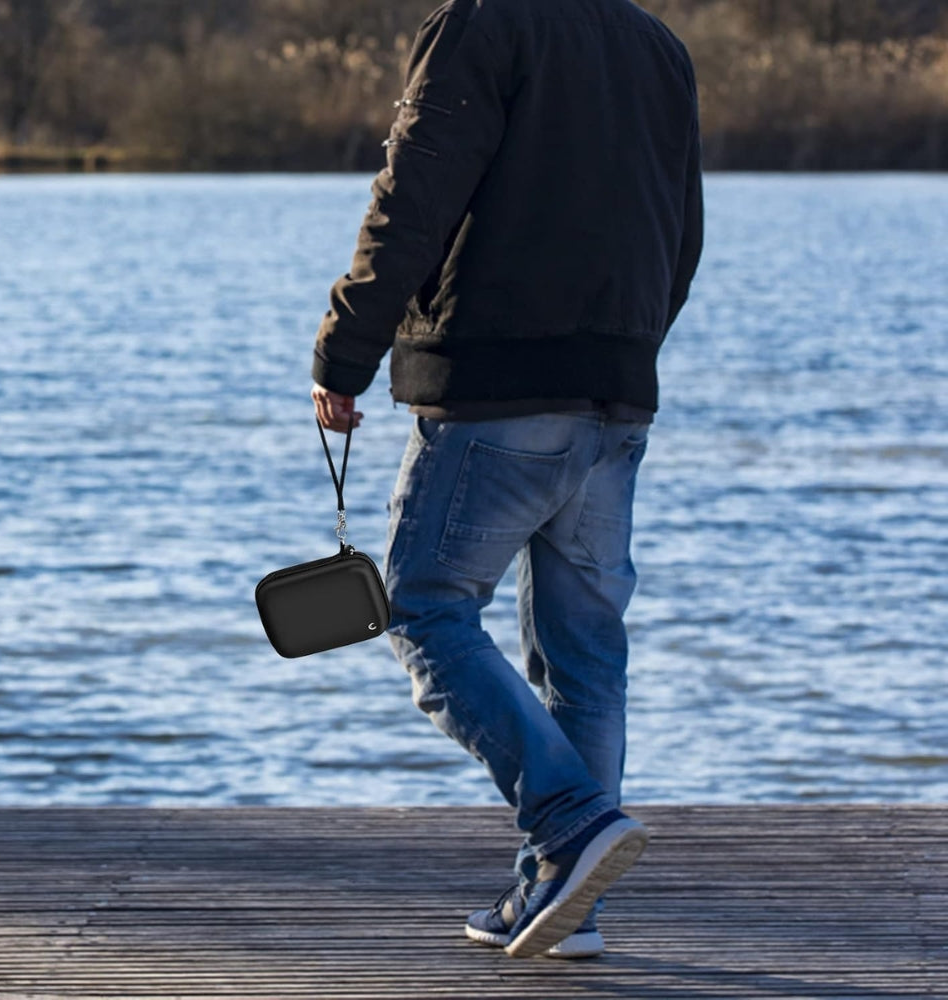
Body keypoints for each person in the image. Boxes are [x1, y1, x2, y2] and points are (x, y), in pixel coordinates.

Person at [310, 0, 703, 959]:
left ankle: (567, 826)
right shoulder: (656, 44)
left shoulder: (484, 23)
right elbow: (683, 230)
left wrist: (343, 353)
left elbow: (413, 194)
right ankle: (565, 901)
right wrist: (627, 352)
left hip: (495, 388)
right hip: (616, 392)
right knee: (586, 653)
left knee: (419, 608)